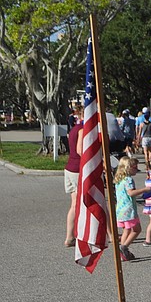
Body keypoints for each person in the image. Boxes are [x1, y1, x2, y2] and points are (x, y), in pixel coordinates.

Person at [114, 156, 151, 261]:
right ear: (128, 168)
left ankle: (122, 251)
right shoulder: (129, 179)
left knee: (127, 229)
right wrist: (145, 190)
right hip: (128, 209)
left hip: (120, 209)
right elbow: (131, 192)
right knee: (137, 229)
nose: (136, 169)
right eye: (135, 167)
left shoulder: (118, 179)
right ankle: (124, 247)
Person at [64, 105, 84, 248]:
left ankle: (70, 237)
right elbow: (80, 150)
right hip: (77, 169)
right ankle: (108, 233)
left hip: (69, 168)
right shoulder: (82, 129)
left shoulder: (74, 128)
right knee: (82, 203)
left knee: (74, 204)